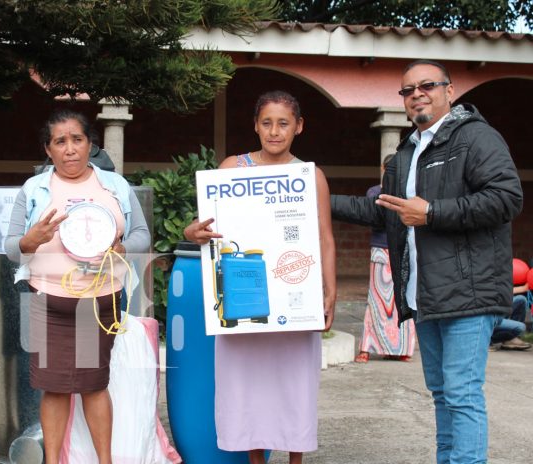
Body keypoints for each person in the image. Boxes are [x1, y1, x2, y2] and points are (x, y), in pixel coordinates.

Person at [331, 60, 523, 463]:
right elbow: (382, 210)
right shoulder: (406, 153)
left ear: (449, 91)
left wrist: (432, 212)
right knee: (443, 395)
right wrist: (313, 200)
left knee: (462, 394)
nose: (417, 93)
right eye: (408, 89)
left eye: (427, 85)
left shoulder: (476, 138)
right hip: (427, 295)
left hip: (470, 294)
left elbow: (507, 198)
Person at [184, 90, 336, 464]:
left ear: (298, 127)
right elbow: (203, 227)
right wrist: (193, 234)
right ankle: (256, 460)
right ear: (255, 125)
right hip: (242, 294)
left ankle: (295, 459)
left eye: (283, 123)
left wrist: (329, 293)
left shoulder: (309, 176)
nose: (274, 131)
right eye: (266, 123)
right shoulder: (232, 169)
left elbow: (325, 237)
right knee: (248, 386)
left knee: (294, 385)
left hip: (294, 297)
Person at [4, 109, 149, 464]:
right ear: (48, 150)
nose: (69, 149)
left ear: (90, 145)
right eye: (60, 142)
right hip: (48, 299)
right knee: (53, 387)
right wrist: (30, 240)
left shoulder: (114, 186)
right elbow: (10, 249)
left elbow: (142, 235)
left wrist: (121, 249)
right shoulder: (34, 189)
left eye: (77, 139)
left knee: (93, 384)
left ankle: (104, 460)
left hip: (98, 302)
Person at [355, 154, 416, 363]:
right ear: (383, 168)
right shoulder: (375, 192)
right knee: (377, 300)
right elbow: (374, 217)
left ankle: (399, 349)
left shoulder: (410, 191)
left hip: (404, 250)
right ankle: (366, 347)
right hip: (381, 248)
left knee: (402, 299)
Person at [490, 284, 532, 351]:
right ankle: (486, 340)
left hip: (497, 310)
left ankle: (510, 339)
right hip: (488, 315)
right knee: (521, 327)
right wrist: (523, 288)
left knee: (521, 300)